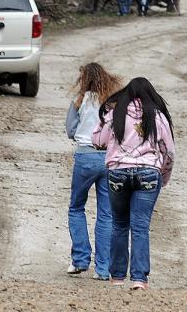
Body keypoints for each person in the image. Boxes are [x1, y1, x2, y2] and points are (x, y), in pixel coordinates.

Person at [92, 77, 175, 290]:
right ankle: (139, 279)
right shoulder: (157, 117)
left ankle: (117, 276)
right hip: (148, 173)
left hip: (118, 172)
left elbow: (97, 141)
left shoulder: (115, 113)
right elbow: (169, 152)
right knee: (140, 227)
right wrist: (163, 177)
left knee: (119, 224)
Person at [65, 63, 123, 280]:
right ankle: (103, 268)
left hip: (86, 156)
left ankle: (80, 259)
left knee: (76, 206)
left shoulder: (80, 100)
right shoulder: (114, 102)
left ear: (84, 80)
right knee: (106, 213)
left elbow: (71, 130)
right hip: (109, 157)